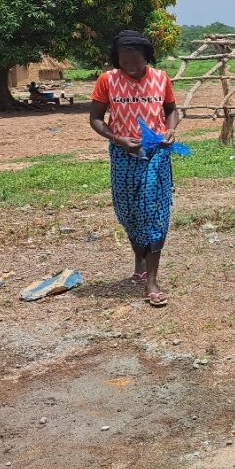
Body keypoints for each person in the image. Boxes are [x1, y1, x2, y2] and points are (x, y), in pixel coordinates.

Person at [89, 30, 181, 308]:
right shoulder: (107, 80)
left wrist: (170, 130)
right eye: (124, 61)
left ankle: (152, 281)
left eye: (135, 61)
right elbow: (96, 119)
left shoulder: (161, 78)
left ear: (147, 57)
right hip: (123, 155)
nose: (129, 66)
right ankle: (139, 258)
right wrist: (117, 138)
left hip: (156, 154)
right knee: (128, 212)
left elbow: (171, 110)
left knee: (154, 213)